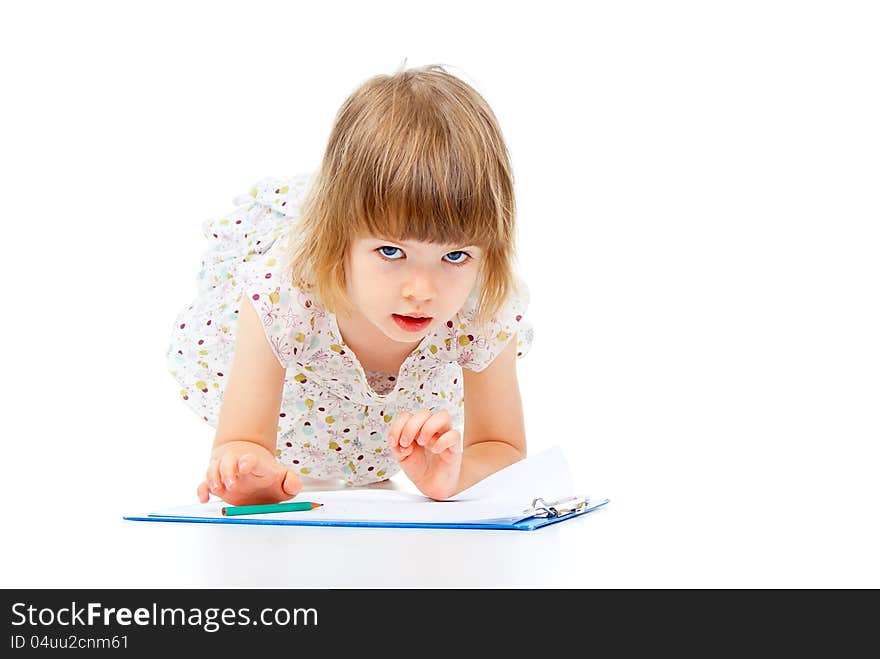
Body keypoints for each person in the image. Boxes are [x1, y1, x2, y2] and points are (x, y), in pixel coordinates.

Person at [166, 63, 535, 506]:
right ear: (340, 238)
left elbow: (503, 448)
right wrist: (247, 471)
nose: (422, 290)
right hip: (295, 417)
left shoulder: (483, 303)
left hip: (390, 441)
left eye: (454, 256)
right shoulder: (287, 291)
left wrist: (454, 477)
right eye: (391, 252)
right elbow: (239, 440)